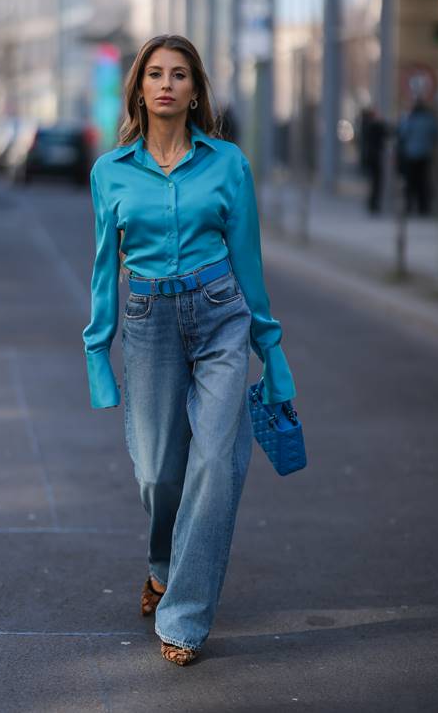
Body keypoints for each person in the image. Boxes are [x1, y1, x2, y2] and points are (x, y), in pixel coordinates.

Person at [82, 34, 297, 666]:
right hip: (147, 316)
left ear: (196, 89)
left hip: (221, 314)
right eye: (156, 74)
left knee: (215, 465)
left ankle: (183, 616)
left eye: (180, 74)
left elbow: (250, 263)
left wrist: (273, 353)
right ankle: (160, 561)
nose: (167, 84)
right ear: (140, 89)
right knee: (156, 470)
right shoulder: (110, 172)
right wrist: (99, 352)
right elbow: (101, 270)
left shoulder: (228, 163)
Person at [396, 99, 438, 215]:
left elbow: (402, 133)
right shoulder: (429, 119)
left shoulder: (410, 118)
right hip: (425, 154)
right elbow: (435, 134)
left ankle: (409, 206)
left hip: (410, 154)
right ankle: (423, 207)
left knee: (410, 183)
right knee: (423, 182)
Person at [358, 106, 387, 214]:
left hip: (370, 157)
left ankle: (372, 204)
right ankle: (373, 204)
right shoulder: (373, 126)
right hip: (374, 157)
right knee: (376, 182)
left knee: (374, 182)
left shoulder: (366, 125)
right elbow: (384, 131)